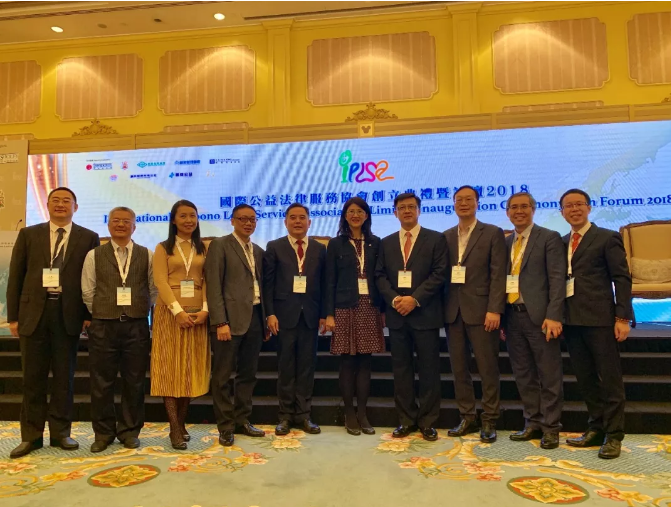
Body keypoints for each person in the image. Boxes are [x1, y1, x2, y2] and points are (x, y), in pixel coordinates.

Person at [6, 187, 99, 459]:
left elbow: (91, 279)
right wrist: (13, 317)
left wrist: (88, 315)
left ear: (75, 207)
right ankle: (31, 436)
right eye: (55, 200)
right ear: (47, 205)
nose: (60, 204)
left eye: (66, 201)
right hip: (33, 314)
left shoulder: (88, 237)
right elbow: (16, 276)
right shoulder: (29, 234)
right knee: (32, 379)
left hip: (68, 315)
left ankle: (61, 433)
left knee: (63, 378)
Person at [559, 188, 633, 459]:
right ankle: (596, 427)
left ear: (589, 208)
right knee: (586, 379)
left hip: (601, 320)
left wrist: (622, 317)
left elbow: (621, 278)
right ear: (562, 212)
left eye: (579, 204)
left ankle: (614, 435)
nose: (574, 209)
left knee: (610, 379)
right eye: (568, 206)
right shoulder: (561, 242)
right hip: (572, 321)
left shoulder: (607, 237)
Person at [82, 206, 157, 452]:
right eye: (116, 220)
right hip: (104, 326)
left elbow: (153, 289)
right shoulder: (94, 255)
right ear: (109, 225)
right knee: (101, 382)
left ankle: (129, 431)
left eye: (126, 221)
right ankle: (103, 433)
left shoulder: (147, 254)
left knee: (134, 381)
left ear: (134, 226)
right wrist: (103, 311)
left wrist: (138, 308)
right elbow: (88, 290)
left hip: (136, 325)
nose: (121, 225)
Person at [375, 193, 447, 441]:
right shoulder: (385, 243)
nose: (407, 211)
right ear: (395, 212)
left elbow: (439, 274)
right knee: (401, 370)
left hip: (425, 314)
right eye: (402, 207)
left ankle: (428, 421)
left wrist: (414, 299)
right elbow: (379, 276)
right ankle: (405, 420)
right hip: (397, 316)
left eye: (411, 207)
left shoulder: (436, 239)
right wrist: (395, 299)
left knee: (429, 370)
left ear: (419, 210)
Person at [503, 192, 566, 449]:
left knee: (549, 374)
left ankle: (551, 428)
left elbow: (557, 279)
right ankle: (533, 422)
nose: (519, 211)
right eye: (514, 207)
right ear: (507, 212)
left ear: (533, 209)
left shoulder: (549, 237)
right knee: (523, 374)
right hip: (512, 316)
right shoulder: (506, 242)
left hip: (541, 318)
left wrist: (554, 315)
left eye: (524, 207)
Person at [444, 185, 506, 443]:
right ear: (454, 204)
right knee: (459, 368)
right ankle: (467, 416)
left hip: (483, 311)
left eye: (468, 199)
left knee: (487, 367)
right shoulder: (446, 236)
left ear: (477, 203)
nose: (463, 203)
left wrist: (495, 309)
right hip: (453, 312)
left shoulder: (492, 233)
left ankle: (489, 418)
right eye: (459, 200)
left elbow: (498, 274)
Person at [204, 204, 268, 447]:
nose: (248, 223)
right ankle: (225, 426)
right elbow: (213, 285)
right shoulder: (220, 245)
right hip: (228, 322)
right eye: (242, 219)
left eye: (252, 219)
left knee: (248, 375)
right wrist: (220, 321)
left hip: (254, 318)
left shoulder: (258, 250)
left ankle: (242, 420)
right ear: (232, 221)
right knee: (222, 377)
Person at [151, 200, 211, 450]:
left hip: (198, 315)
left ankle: (182, 423)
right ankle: (174, 428)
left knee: (189, 370)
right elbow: (160, 282)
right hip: (170, 313)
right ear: (173, 220)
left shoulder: (204, 247)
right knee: (170, 370)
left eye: (192, 216)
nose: (189, 220)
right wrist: (176, 311)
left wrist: (206, 309)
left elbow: (207, 280)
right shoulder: (163, 247)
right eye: (183, 216)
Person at [264, 203, 327, 436]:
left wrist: (324, 314)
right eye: (293, 217)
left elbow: (325, 284)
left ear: (309, 222)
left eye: (302, 217)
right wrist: (270, 313)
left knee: (307, 368)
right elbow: (268, 284)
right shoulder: (275, 247)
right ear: (285, 222)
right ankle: (285, 416)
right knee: (286, 367)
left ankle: (304, 415)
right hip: (284, 316)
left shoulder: (319, 249)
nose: (298, 221)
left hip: (310, 316)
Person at [325, 197, 385, 436]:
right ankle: (349, 413)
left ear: (366, 215)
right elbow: (330, 281)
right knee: (348, 362)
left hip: (369, 307)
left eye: (360, 211)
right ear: (345, 216)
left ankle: (362, 413)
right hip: (344, 307)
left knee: (365, 362)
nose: (355, 215)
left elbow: (380, 278)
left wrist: (382, 310)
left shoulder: (376, 243)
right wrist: (329, 314)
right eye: (351, 211)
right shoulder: (336, 244)